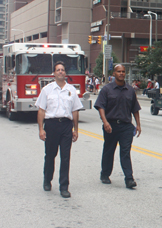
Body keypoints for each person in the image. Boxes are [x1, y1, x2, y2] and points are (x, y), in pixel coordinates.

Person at [37, 61, 83, 198]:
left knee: (65, 157)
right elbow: (41, 110)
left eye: (62, 70)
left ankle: (64, 187)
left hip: (66, 125)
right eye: (58, 70)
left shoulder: (71, 90)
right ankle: (47, 180)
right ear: (54, 73)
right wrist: (41, 129)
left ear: (65, 73)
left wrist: (76, 130)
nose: (60, 72)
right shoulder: (47, 90)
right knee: (50, 155)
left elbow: (75, 111)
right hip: (51, 125)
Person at [94, 64, 142, 189]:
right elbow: (100, 107)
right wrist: (105, 122)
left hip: (126, 126)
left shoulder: (130, 90)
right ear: (114, 74)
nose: (121, 73)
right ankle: (105, 174)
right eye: (118, 71)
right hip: (111, 125)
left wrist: (138, 124)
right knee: (109, 150)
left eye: (123, 71)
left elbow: (135, 108)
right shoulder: (107, 89)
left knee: (125, 152)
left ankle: (129, 178)